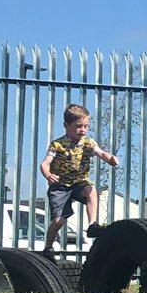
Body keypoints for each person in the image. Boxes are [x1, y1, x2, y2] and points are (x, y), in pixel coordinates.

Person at [39, 103, 119, 256]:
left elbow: (100, 153)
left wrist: (111, 159)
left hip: (79, 182)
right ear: (66, 125)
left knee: (90, 190)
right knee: (58, 221)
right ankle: (48, 247)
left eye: (86, 126)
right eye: (78, 126)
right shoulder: (58, 145)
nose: (83, 130)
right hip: (60, 186)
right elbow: (44, 164)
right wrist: (48, 175)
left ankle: (92, 225)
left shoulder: (88, 142)